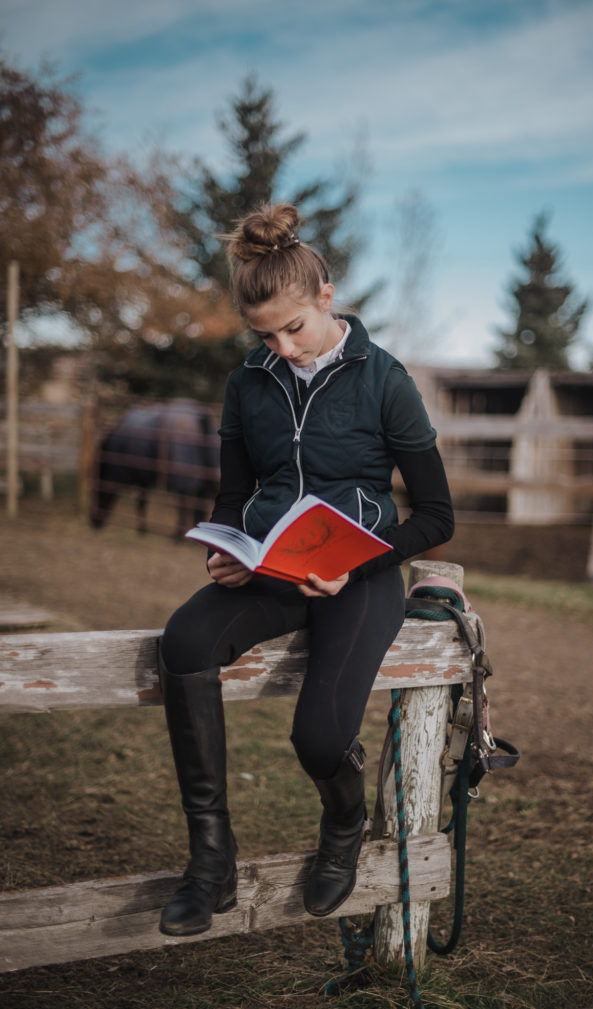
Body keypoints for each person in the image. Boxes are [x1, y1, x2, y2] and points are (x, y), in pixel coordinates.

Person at [157, 202, 454, 937]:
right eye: (264, 335)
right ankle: (211, 862)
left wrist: (357, 566)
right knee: (183, 641)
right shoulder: (246, 383)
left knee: (318, 742)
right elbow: (233, 493)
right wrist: (226, 546)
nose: (282, 347)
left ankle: (343, 825)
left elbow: (439, 516)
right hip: (274, 573)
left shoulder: (385, 380)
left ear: (326, 297)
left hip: (361, 575)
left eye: (294, 328)